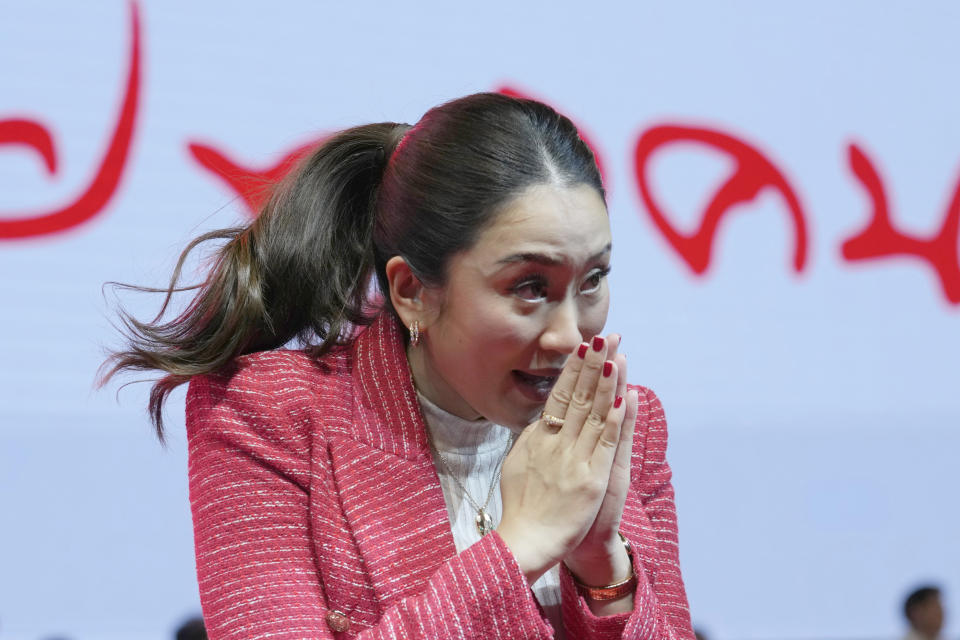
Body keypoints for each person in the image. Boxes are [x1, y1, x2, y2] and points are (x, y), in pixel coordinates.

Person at [104, 93, 694, 639]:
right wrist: (521, 546)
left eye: (593, 280)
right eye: (530, 286)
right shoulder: (270, 417)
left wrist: (603, 571)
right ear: (412, 289)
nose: (569, 335)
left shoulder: (623, 430)